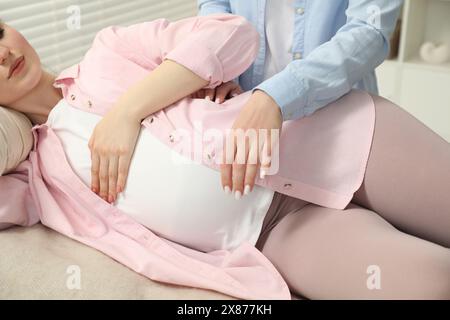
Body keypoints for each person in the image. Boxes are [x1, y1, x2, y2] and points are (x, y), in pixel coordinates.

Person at [1, 10, 449, 299]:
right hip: (278, 232)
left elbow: (231, 32)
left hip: (333, 136)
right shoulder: (39, 178)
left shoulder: (110, 50)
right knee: (432, 285)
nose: (4, 54)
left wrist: (126, 112)